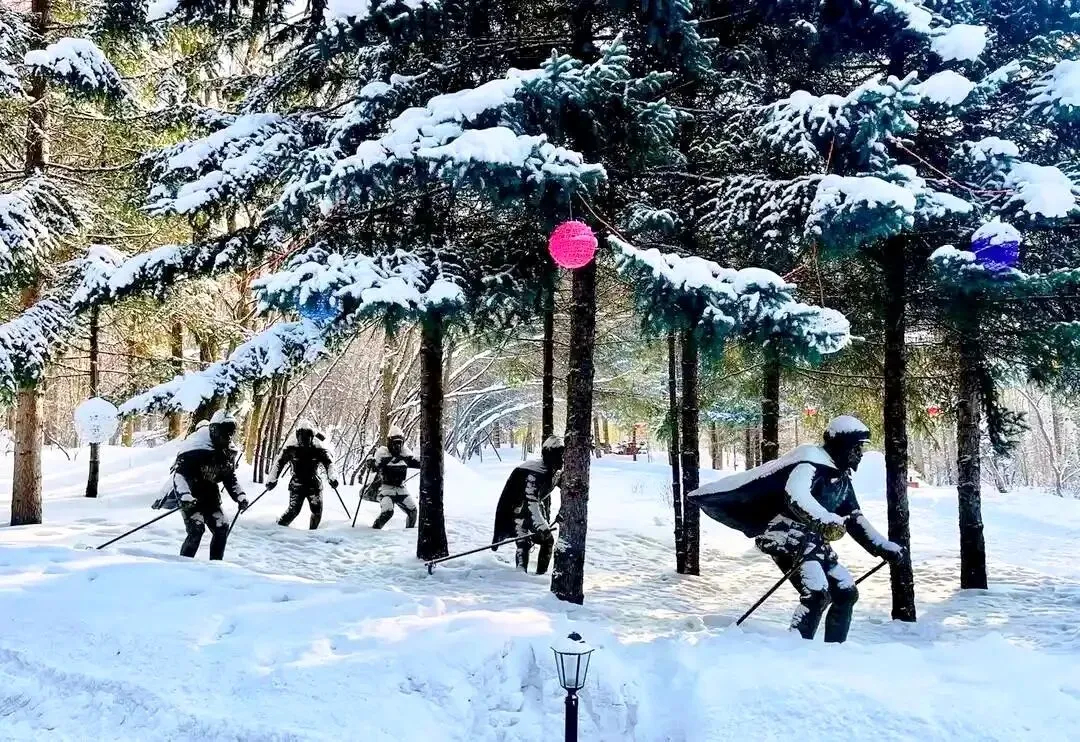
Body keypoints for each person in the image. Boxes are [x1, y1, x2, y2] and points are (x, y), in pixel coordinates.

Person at [688, 415, 904, 643]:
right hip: (788, 538)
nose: (860, 454)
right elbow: (795, 494)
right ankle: (796, 649)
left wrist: (882, 547)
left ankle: (835, 650)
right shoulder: (809, 465)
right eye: (857, 448)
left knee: (846, 592)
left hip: (814, 543)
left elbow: (854, 518)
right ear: (843, 447)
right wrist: (822, 519)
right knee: (816, 593)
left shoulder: (841, 480)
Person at [171, 410, 249, 560]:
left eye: (231, 432)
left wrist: (239, 495)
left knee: (222, 527)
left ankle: (215, 565)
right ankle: (183, 564)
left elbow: (229, 477)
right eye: (225, 431)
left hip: (211, 497)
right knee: (196, 529)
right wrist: (185, 496)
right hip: (192, 497)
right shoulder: (194, 449)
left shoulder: (228, 452)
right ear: (214, 430)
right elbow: (180, 475)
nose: (228, 436)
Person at [491, 435, 564, 575]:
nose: (562, 460)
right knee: (524, 543)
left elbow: (569, 493)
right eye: (558, 456)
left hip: (531, 511)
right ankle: (521, 576)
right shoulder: (533, 473)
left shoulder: (555, 472)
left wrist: (563, 512)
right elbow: (531, 501)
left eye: (562, 456)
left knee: (546, 541)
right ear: (549, 455)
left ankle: (539, 575)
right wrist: (541, 525)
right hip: (517, 512)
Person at [267, 420, 338, 530]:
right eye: (301, 438)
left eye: (307, 438)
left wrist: (332, 476)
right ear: (297, 436)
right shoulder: (291, 448)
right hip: (297, 484)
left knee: (317, 511)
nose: (303, 441)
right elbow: (279, 463)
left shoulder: (318, 448)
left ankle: (313, 533)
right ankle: (278, 529)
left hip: (313, 484)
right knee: (293, 511)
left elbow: (329, 463)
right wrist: (272, 479)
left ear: (311, 437)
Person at [368, 426, 420, 529]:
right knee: (388, 512)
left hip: (401, 488)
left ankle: (408, 533)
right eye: (395, 443)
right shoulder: (383, 454)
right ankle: (374, 532)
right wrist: (370, 463)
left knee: (412, 511)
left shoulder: (405, 455)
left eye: (399, 443)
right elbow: (374, 467)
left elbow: (418, 463)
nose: (397, 446)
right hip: (385, 488)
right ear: (390, 443)